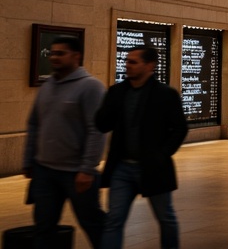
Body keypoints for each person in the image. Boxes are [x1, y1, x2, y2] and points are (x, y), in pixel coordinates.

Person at [97, 46, 187, 249]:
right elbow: (102, 125)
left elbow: (180, 128)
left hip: (153, 166)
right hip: (121, 167)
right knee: (114, 220)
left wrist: (163, 154)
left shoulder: (165, 94)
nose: (127, 65)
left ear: (150, 65)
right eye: (127, 61)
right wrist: (106, 106)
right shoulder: (117, 92)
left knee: (166, 218)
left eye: (133, 62)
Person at [23, 35, 106, 249]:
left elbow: (96, 130)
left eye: (61, 53)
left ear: (76, 56)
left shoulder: (91, 87)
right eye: (52, 53)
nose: (54, 57)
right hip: (44, 171)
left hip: (77, 173)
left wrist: (87, 169)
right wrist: (29, 160)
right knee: (43, 227)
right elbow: (34, 124)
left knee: (93, 224)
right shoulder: (48, 85)